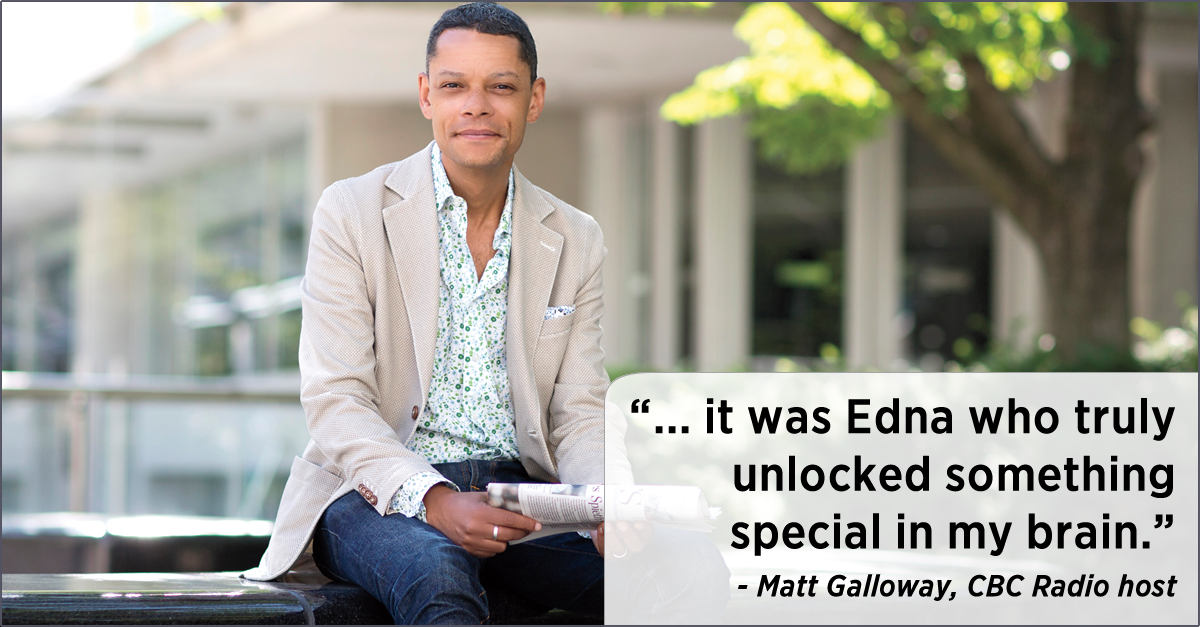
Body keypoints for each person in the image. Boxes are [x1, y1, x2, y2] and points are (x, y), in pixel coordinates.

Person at [242, 3, 608, 623]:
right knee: (436, 574)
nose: (477, 105)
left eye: (501, 87)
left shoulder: (575, 236)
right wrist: (434, 497)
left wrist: (606, 503)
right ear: (426, 95)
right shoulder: (352, 212)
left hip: (520, 499)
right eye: (454, 86)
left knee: (659, 576)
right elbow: (337, 399)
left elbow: (579, 411)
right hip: (373, 492)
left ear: (534, 98)